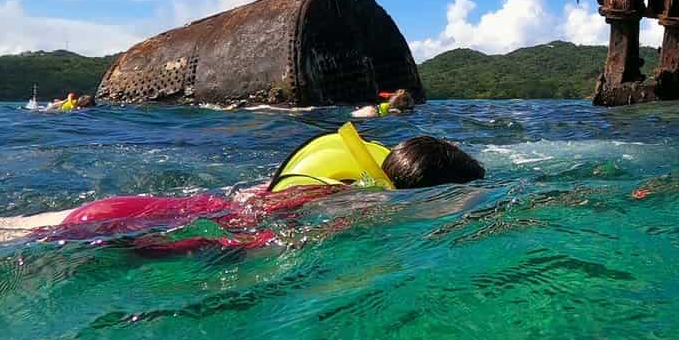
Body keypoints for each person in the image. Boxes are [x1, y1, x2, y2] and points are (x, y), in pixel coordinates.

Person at [40, 124, 484, 252]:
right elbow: (265, 241)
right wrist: (177, 248)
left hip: (174, 206)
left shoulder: (335, 181)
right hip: (127, 222)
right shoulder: (364, 205)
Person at [351, 88, 418, 120]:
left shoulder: (390, 104)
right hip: (371, 113)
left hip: (369, 108)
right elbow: (392, 112)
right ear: (404, 102)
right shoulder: (396, 110)